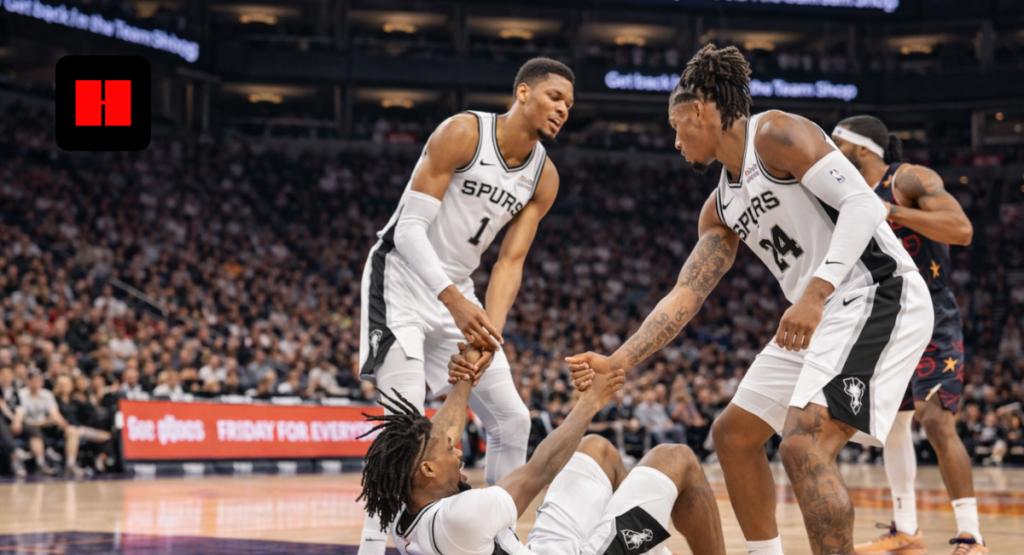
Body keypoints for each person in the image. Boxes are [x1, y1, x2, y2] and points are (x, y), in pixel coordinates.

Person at [569, 44, 933, 555]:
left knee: (803, 443)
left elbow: (862, 204)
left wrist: (815, 291)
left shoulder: (777, 133)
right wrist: (618, 360)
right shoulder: (720, 206)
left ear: (699, 110)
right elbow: (685, 296)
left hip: (877, 291)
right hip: (820, 313)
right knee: (734, 436)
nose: (675, 142)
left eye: (677, 127)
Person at [357, 57, 574, 554]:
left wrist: (489, 337)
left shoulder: (544, 178)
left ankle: (501, 538)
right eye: (554, 97)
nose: (563, 109)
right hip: (401, 278)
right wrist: (453, 301)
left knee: (512, 420)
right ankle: (373, 541)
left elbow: (509, 263)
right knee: (405, 421)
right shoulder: (463, 133)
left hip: (459, 289)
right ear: (522, 92)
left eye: (569, 104)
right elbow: (408, 230)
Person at [359, 346, 725, 555]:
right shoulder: (461, 516)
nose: (458, 453)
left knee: (595, 448)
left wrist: (466, 377)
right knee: (676, 458)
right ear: (427, 470)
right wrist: (590, 402)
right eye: (450, 451)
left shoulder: (403, 511)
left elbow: (436, 437)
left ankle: (640, 547)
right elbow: (542, 469)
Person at [831, 115, 984, 555]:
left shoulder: (907, 178)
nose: (830, 153)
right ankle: (906, 528)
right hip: (887, 318)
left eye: (837, 144)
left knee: (935, 420)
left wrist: (893, 210)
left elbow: (962, 230)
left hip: (932, 309)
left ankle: (972, 535)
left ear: (861, 148)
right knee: (891, 428)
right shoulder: (849, 196)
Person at [19, 369, 84, 477]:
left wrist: (64, 425)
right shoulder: (21, 394)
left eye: (38, 379)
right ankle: (41, 465)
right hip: (30, 426)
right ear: (28, 381)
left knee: (72, 430)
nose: (36, 382)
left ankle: (70, 465)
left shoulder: (47, 394)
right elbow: (22, 420)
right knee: (34, 433)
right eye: (33, 379)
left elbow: (55, 413)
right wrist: (42, 422)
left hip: (46, 425)